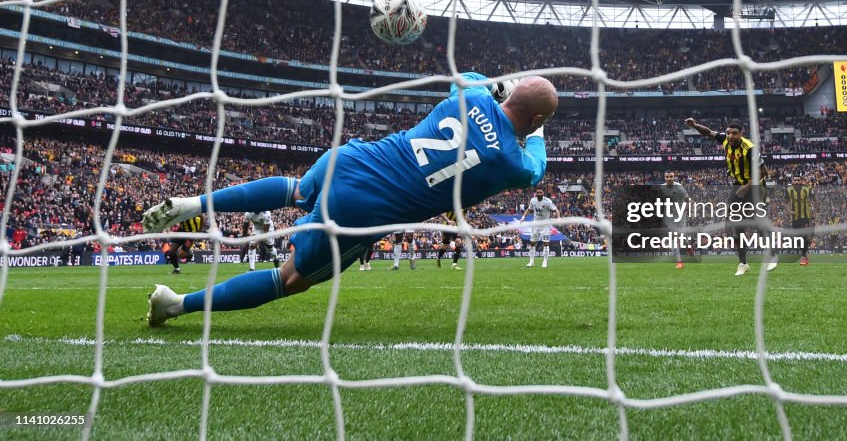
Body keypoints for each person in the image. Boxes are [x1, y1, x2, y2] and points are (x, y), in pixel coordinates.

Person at [143, 73, 557, 326]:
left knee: (296, 190)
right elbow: (535, 168)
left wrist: (500, 87)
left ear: (510, 92)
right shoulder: (509, 160)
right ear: (535, 118)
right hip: (364, 211)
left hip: (353, 157)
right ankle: (176, 305)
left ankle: (196, 203)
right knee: (288, 280)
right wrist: (535, 134)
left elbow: (466, 76)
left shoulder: (469, 97)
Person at [684, 117, 774, 276]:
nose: (730, 136)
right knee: (736, 223)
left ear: (741, 134)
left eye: (734, 133)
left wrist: (748, 185)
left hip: (754, 185)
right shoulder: (725, 140)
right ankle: (743, 263)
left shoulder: (750, 148)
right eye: (728, 133)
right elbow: (708, 132)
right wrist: (694, 125)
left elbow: (764, 172)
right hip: (738, 185)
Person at [657, 170, 691, 269]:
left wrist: (686, 208)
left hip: (680, 215)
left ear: (674, 177)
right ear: (665, 178)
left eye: (671, 177)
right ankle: (679, 262)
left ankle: (688, 247)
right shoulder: (661, 188)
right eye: (667, 177)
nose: (669, 179)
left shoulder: (680, 187)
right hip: (669, 216)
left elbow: (688, 199)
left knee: (681, 235)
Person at [520, 186, 559, 268]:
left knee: (545, 243)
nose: (539, 194)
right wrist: (523, 217)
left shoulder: (547, 201)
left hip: (545, 225)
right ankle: (531, 262)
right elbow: (529, 209)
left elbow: (556, 210)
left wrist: (558, 219)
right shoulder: (533, 200)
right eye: (537, 192)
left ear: (543, 193)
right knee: (532, 243)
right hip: (535, 225)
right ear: (535, 193)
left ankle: (544, 262)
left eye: (540, 192)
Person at [785, 175, 813, 266]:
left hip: (805, 216)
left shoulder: (806, 189)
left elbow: (815, 200)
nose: (797, 182)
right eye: (795, 180)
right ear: (792, 181)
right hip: (795, 217)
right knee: (797, 239)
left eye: (798, 180)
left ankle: (803, 257)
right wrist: (789, 211)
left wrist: (815, 212)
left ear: (801, 181)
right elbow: (784, 203)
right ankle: (805, 254)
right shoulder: (789, 190)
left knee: (803, 236)